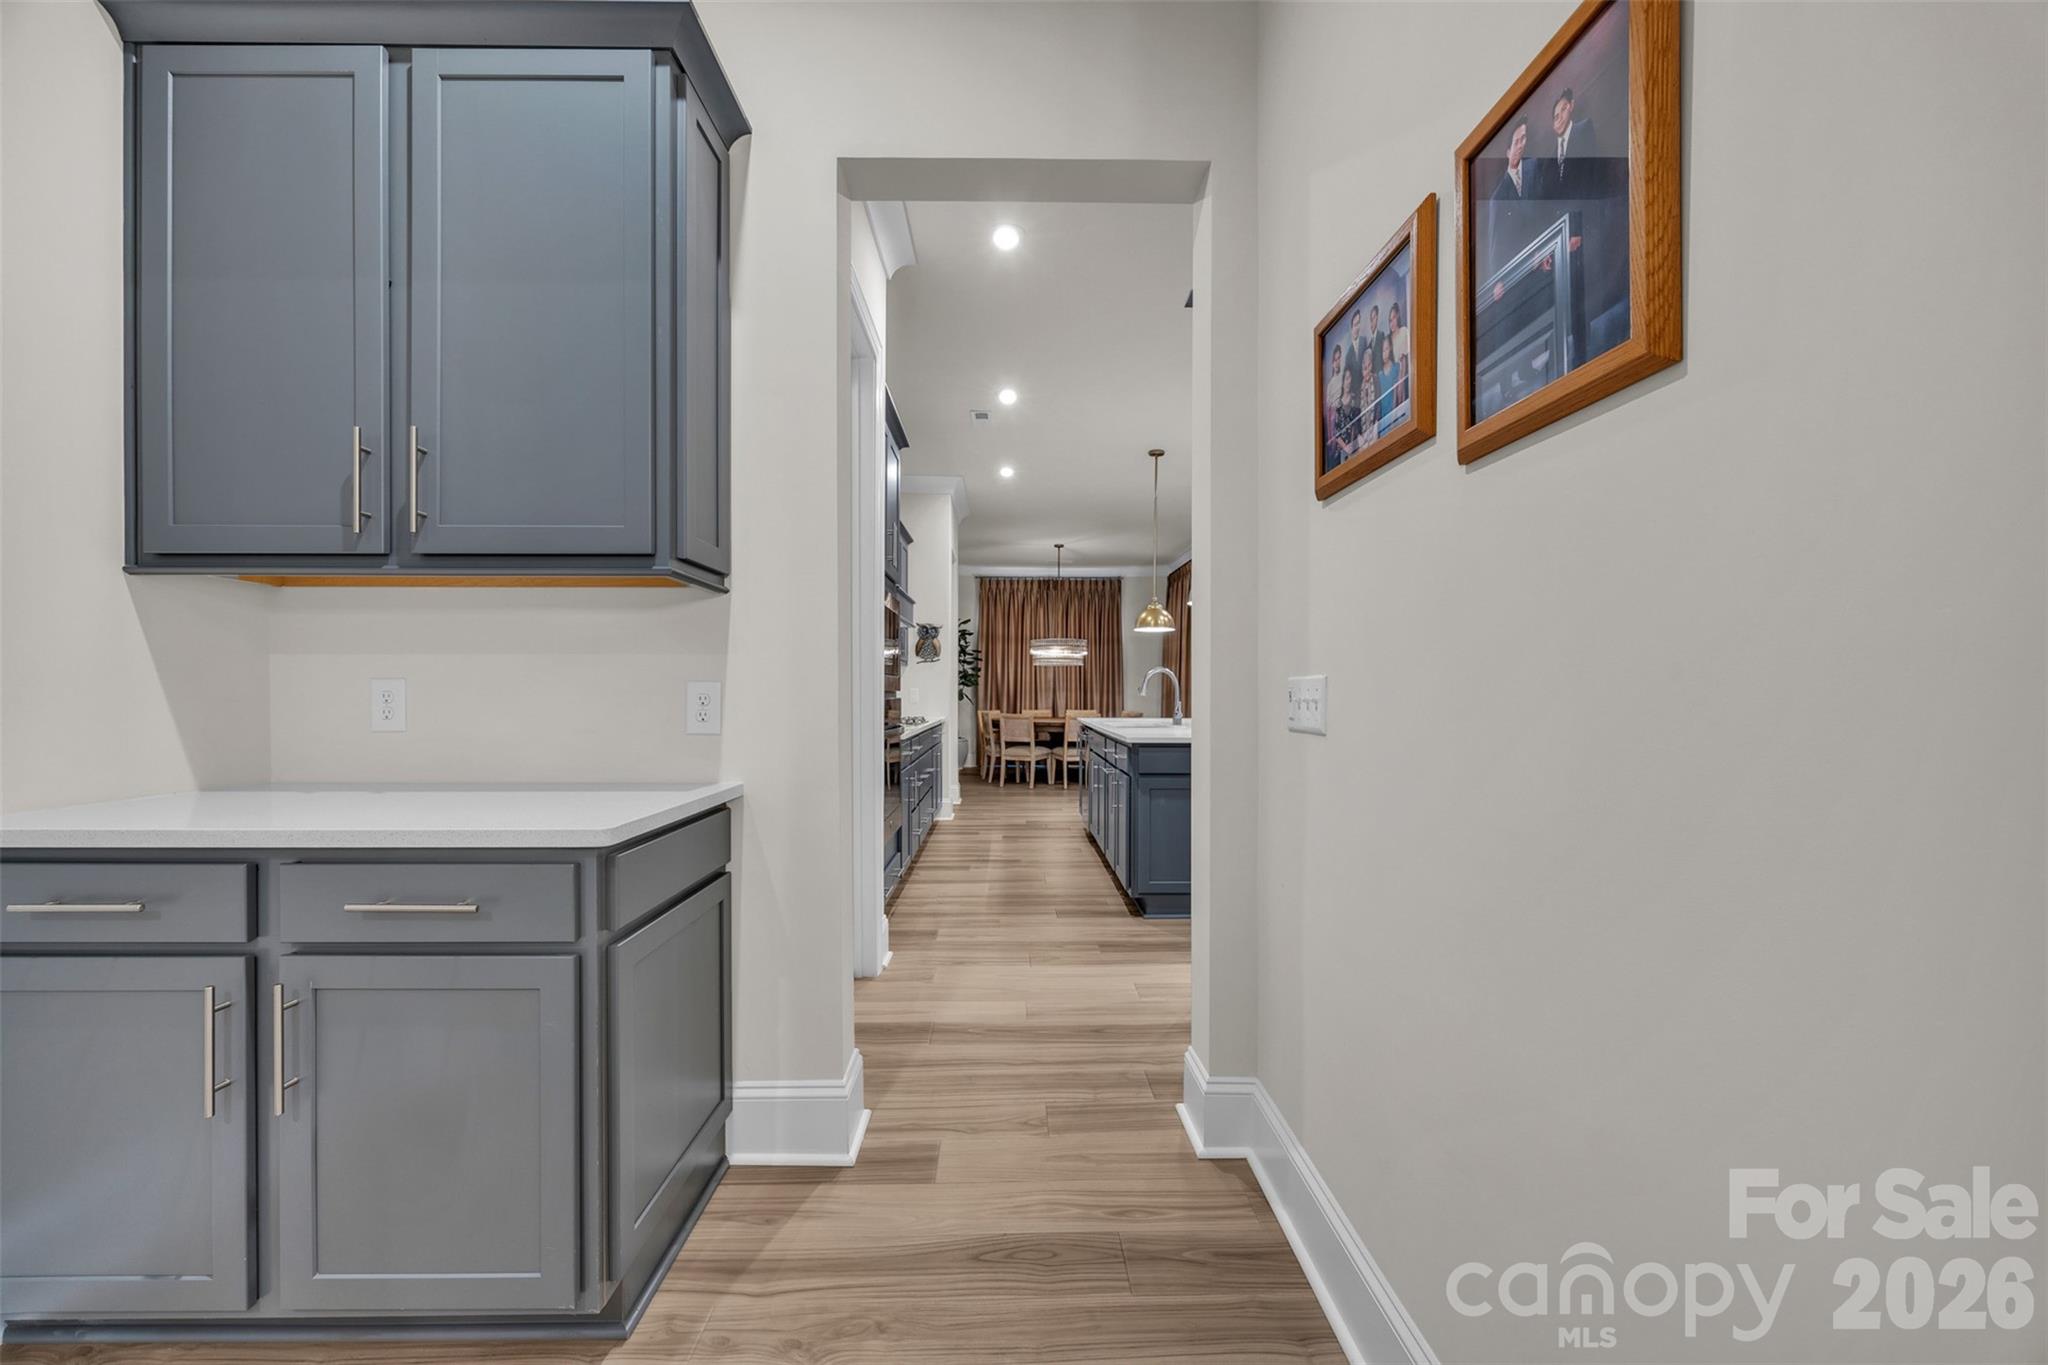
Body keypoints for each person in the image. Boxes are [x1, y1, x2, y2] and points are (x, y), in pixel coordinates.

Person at [1486, 118, 1543, 288]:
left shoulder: (1534, 166)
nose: (1521, 145)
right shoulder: (1498, 198)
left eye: (1523, 139)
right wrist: (1497, 281)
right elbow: (1495, 246)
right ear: (1507, 151)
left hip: (1546, 252)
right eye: (1516, 142)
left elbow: (1545, 209)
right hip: (1522, 273)